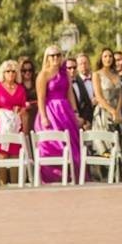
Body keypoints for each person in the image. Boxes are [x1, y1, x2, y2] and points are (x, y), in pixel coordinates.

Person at [35, 45, 83, 183]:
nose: (56, 58)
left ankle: (73, 177)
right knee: (52, 147)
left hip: (65, 113)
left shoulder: (65, 73)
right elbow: (41, 98)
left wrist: (75, 113)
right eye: (52, 55)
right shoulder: (43, 75)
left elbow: (70, 94)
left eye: (58, 55)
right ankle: (52, 178)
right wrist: (44, 117)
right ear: (47, 58)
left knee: (72, 146)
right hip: (50, 113)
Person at [0, 60, 28, 185]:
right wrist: (4, 112)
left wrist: (19, 110)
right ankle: (1, 189)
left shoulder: (21, 89)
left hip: (16, 127)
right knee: (1, 160)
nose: (11, 74)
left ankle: (16, 190)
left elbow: (23, 106)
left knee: (15, 160)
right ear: (3, 73)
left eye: (13, 71)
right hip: (2, 127)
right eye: (8, 71)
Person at [91, 47, 122, 177]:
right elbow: (99, 96)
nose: (108, 59)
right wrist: (111, 110)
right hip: (103, 115)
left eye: (110, 56)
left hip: (117, 114)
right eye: (105, 56)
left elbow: (120, 95)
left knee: (120, 145)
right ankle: (105, 176)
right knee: (105, 147)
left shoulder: (116, 75)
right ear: (101, 58)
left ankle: (120, 176)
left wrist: (117, 111)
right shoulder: (97, 74)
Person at [68, 57, 94, 129]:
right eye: (69, 68)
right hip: (69, 122)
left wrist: (85, 120)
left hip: (83, 124)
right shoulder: (62, 86)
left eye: (74, 67)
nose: (72, 70)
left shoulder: (80, 82)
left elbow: (86, 103)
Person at [19, 56, 38, 131]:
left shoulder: (37, 82)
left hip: (37, 112)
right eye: (24, 70)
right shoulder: (18, 85)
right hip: (24, 116)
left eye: (30, 70)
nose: (27, 72)